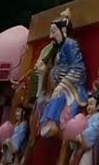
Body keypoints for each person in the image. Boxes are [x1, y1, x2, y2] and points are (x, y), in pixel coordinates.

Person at [38, 9, 89, 138]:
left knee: (59, 94)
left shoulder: (70, 44)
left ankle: (52, 122)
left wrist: (62, 85)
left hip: (72, 89)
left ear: (64, 31)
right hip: (58, 86)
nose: (51, 36)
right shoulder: (59, 49)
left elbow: (78, 68)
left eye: (53, 32)